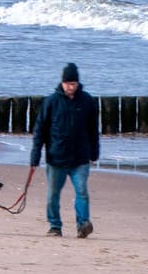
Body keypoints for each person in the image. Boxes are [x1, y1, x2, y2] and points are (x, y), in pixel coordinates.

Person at [29, 62, 99, 238]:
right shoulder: (51, 102)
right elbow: (40, 130)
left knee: (82, 191)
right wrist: (35, 155)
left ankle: (83, 224)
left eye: (74, 84)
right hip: (56, 157)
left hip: (80, 157)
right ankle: (55, 226)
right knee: (53, 194)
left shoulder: (87, 101)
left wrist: (94, 152)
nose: (71, 87)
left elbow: (93, 129)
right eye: (68, 84)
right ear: (62, 83)